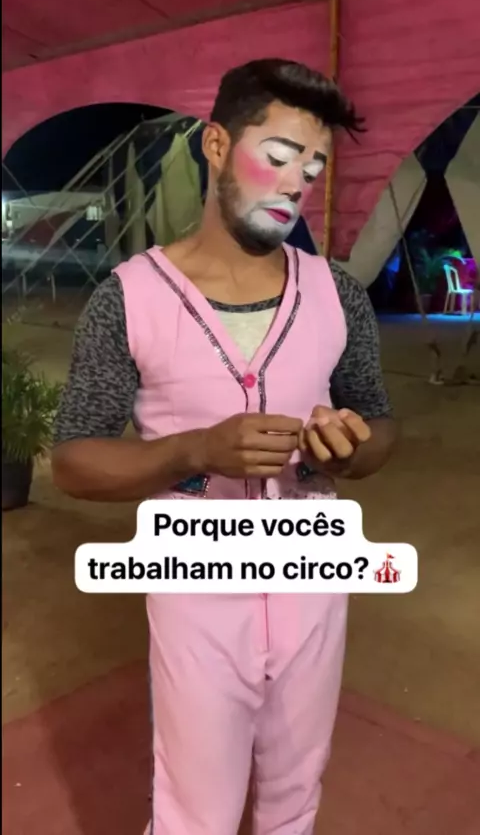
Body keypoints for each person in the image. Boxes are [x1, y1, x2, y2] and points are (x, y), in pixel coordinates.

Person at [52, 59, 397, 835]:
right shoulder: (128, 298)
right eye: (278, 156)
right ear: (215, 145)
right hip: (195, 596)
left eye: (312, 168)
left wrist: (350, 451)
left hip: (313, 583)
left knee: (295, 797)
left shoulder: (337, 294)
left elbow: (382, 425)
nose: (296, 184)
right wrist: (194, 450)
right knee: (195, 811)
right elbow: (73, 458)